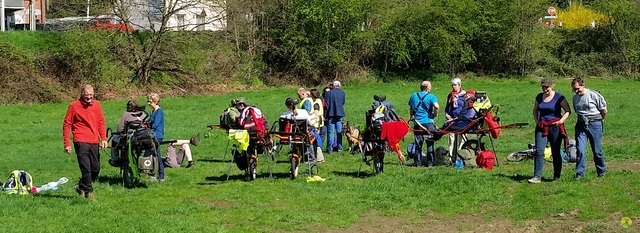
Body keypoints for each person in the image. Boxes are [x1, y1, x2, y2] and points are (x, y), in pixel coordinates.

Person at [62, 84, 108, 199]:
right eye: (87, 95)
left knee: (95, 169)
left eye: (91, 95)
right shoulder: (74, 106)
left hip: (94, 140)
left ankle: (81, 186)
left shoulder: (97, 105)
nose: (89, 98)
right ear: (82, 94)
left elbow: (101, 123)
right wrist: (67, 143)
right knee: (86, 167)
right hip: (80, 140)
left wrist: (103, 138)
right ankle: (89, 192)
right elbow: (67, 124)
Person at [528, 78, 571, 183]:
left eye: (547, 87)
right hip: (542, 126)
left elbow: (568, 111)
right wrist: (537, 120)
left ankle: (556, 176)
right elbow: (535, 109)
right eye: (543, 87)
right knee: (539, 151)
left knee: (555, 152)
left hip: (555, 127)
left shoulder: (559, 97)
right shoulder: (539, 97)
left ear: (552, 86)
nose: (545, 89)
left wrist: (560, 121)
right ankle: (537, 177)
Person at [571, 77, 607, 179]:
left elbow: (604, 110)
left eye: (578, 89)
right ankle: (579, 173)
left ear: (583, 85)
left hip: (595, 124)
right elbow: (577, 111)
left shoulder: (593, 95)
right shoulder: (575, 98)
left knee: (597, 150)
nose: (576, 91)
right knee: (580, 149)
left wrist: (600, 120)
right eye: (574, 89)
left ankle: (601, 171)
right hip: (581, 125)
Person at [407, 81, 439, 167]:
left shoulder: (413, 96)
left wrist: (411, 117)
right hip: (429, 123)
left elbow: (411, 108)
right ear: (427, 88)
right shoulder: (431, 96)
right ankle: (430, 163)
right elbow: (436, 106)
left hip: (418, 123)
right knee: (430, 144)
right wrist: (434, 114)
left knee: (418, 144)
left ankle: (417, 162)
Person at [109, 99, 147, 167]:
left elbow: (120, 129)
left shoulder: (126, 115)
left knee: (114, 138)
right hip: (141, 137)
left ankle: (115, 159)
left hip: (127, 138)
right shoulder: (143, 114)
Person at [444, 77, 466, 161]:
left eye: (455, 85)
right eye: (452, 85)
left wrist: (460, 116)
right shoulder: (450, 95)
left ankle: (460, 156)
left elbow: (466, 108)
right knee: (451, 139)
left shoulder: (464, 95)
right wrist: (447, 115)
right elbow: (447, 107)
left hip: (462, 120)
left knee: (462, 139)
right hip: (451, 120)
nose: (453, 87)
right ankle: (451, 157)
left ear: (459, 85)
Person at [147, 93, 165, 182]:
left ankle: (160, 176)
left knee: (156, 155)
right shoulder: (153, 111)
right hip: (152, 135)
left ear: (155, 101)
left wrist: (148, 124)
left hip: (157, 135)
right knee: (153, 154)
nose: (148, 103)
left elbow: (155, 124)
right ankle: (154, 174)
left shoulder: (159, 111)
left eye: (149, 101)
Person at [324, 80, 346, 153]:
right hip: (340, 114)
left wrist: (325, 114)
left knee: (331, 132)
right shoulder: (342, 93)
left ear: (333, 86)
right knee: (339, 131)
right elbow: (343, 102)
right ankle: (340, 147)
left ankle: (330, 148)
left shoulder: (328, 93)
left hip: (331, 114)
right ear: (339, 85)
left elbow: (327, 105)